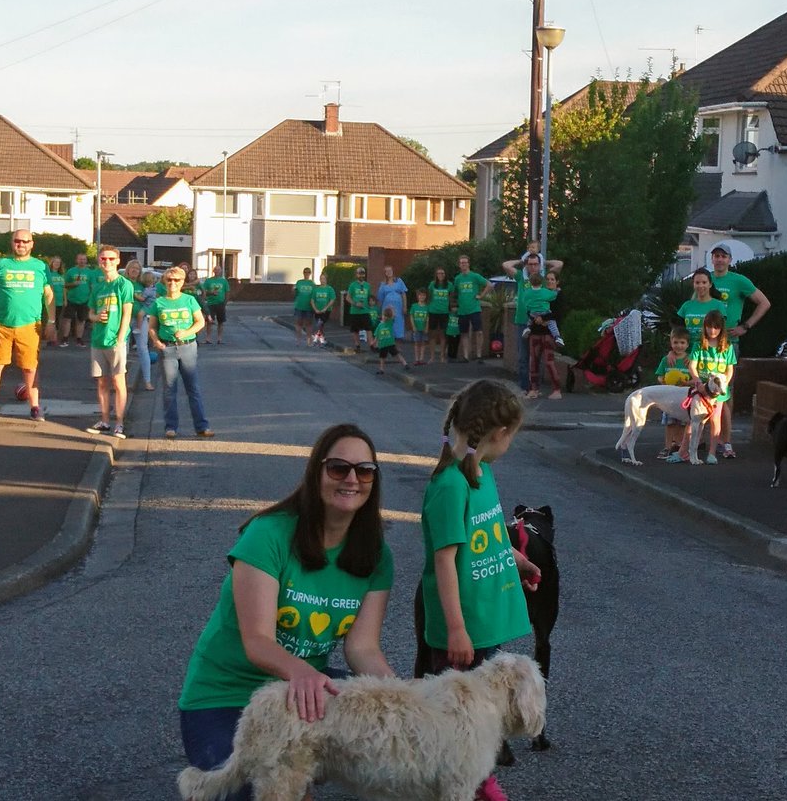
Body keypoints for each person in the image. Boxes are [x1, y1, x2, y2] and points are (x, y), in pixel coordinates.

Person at [178, 424, 395, 801]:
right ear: (316, 472)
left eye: (364, 471)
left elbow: (363, 649)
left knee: (393, 743)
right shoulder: (269, 534)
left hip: (300, 693)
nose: (352, 480)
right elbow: (258, 641)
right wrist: (302, 672)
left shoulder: (375, 554)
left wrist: (405, 699)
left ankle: (308, 762)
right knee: (264, 793)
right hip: (226, 696)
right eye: (338, 468)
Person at [421, 379, 538, 801]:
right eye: (513, 436)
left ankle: (473, 775)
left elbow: (490, 534)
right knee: (458, 713)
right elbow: (444, 561)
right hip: (465, 627)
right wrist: (455, 629)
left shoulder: (481, 473)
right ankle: (466, 780)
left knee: (480, 709)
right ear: (501, 433)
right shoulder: (450, 486)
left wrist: (519, 560)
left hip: (486, 620)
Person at [0, 231, 54, 421]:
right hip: (2, 324)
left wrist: (51, 322)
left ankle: (35, 407)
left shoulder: (40, 266)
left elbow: (49, 295)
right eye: (17, 241)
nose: (21, 244)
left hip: (30, 325)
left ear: (32, 244)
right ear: (12, 243)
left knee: (30, 368)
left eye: (25, 241)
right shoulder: (1, 264)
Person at [709, 243, 771, 460]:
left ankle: (725, 441)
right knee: (703, 389)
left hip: (728, 342)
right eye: (716, 256)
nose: (719, 260)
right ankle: (706, 438)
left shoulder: (738, 281)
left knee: (725, 390)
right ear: (712, 259)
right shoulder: (705, 279)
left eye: (723, 256)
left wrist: (746, 326)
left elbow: (764, 303)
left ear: (730, 260)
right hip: (705, 343)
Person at [149, 266, 214, 439]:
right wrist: (156, 341)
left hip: (188, 347)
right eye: (169, 280)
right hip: (168, 348)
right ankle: (171, 427)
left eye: (176, 280)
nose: (172, 283)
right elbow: (152, 327)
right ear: (165, 281)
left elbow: (200, 322)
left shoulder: (189, 300)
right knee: (169, 389)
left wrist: (186, 332)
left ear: (182, 282)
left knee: (193, 388)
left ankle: (202, 426)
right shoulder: (159, 303)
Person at [85, 246, 135, 439]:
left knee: (118, 381)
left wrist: (121, 339)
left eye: (111, 259)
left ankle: (119, 423)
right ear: (99, 261)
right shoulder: (98, 287)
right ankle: (105, 421)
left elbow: (127, 314)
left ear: (118, 261)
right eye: (103, 259)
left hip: (115, 340)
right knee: (101, 382)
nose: (107, 262)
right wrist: (96, 317)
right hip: (98, 339)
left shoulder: (124, 284)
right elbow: (90, 313)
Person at [504, 245, 564, 391]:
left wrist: (543, 261)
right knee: (523, 356)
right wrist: (522, 259)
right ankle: (525, 387)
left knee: (538, 356)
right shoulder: (521, 276)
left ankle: (536, 386)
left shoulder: (543, 278)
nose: (532, 267)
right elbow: (506, 265)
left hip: (541, 322)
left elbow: (559, 264)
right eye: (530, 264)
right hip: (523, 320)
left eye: (535, 264)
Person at [682, 310, 736, 465]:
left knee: (715, 419)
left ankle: (712, 452)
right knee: (693, 419)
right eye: (709, 327)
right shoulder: (699, 345)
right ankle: (683, 451)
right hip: (702, 390)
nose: (712, 331)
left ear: (721, 329)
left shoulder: (727, 347)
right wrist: (698, 382)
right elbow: (692, 366)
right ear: (704, 327)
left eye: (716, 327)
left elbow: (730, 369)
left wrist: (723, 385)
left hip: (718, 391)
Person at [654, 325, 692, 460]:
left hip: (684, 399)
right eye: (676, 342)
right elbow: (659, 375)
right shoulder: (666, 360)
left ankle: (679, 446)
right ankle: (667, 446)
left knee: (682, 424)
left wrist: (687, 382)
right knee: (670, 423)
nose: (679, 346)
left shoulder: (690, 360)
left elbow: (695, 378)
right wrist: (663, 381)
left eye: (682, 342)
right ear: (671, 343)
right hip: (669, 399)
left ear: (687, 344)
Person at [524, 273, 563, 400]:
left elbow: (557, 313)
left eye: (552, 279)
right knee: (533, 361)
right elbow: (529, 308)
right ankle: (533, 388)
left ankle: (556, 389)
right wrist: (536, 318)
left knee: (549, 361)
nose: (550, 281)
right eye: (548, 279)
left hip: (548, 333)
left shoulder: (556, 296)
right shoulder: (540, 293)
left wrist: (542, 318)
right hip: (536, 330)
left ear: (557, 281)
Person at [452, 255, 492, 362]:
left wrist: (481, 295)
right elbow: (455, 293)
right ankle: (466, 356)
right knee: (464, 333)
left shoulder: (475, 276)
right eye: (461, 263)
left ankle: (479, 355)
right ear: (459, 265)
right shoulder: (458, 279)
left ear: (468, 264)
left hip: (474, 308)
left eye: (465, 262)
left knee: (479, 332)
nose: (463, 264)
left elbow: (489, 285)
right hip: (462, 310)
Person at [677, 267, 727, 351]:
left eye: (704, 282)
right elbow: (678, 332)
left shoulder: (718, 305)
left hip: (709, 353)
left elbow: (722, 332)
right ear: (693, 284)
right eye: (697, 282)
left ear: (710, 284)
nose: (700, 286)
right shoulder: (686, 306)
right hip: (688, 353)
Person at [123, 259, 153, 391]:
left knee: (143, 349)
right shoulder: (122, 283)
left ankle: (147, 381)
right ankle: (121, 380)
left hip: (140, 319)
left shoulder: (143, 285)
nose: (135, 270)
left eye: (137, 268)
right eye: (132, 268)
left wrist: (144, 311)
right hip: (124, 319)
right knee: (122, 349)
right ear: (128, 269)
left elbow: (152, 300)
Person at [64, 252, 93, 346]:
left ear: (86, 260)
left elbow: (92, 286)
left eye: (84, 259)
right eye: (80, 259)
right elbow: (65, 284)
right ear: (77, 260)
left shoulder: (90, 272)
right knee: (67, 319)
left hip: (84, 300)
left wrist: (91, 299)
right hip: (71, 299)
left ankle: (79, 339)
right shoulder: (71, 271)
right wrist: (73, 284)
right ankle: (65, 339)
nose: (82, 261)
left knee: (81, 320)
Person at [427, 266, 453, 364]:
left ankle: (442, 356)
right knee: (432, 334)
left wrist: (451, 307)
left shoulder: (449, 285)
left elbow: (451, 297)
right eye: (439, 273)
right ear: (436, 275)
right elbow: (429, 297)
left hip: (444, 312)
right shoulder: (432, 284)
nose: (440, 275)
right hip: (433, 311)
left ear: (445, 275)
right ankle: (432, 357)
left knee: (443, 335)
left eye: (442, 273)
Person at [374, 306, 410, 375]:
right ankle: (381, 369)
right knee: (382, 357)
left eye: (387, 316)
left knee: (397, 354)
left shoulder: (389, 323)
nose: (385, 317)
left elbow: (393, 316)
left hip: (390, 344)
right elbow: (377, 335)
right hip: (383, 344)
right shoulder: (380, 325)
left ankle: (405, 364)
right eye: (384, 316)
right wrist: (375, 342)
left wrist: (392, 310)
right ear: (382, 315)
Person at [376, 265, 408, 341]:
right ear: (385, 273)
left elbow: (403, 294)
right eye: (387, 271)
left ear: (393, 271)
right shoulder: (383, 284)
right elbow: (380, 298)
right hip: (387, 307)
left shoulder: (399, 281)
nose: (389, 272)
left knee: (397, 323)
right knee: (388, 323)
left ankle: (397, 343)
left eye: (390, 270)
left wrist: (405, 306)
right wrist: (379, 311)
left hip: (398, 307)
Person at [345, 266, 373, 352]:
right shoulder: (353, 285)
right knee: (355, 330)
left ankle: (372, 345)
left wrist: (370, 302)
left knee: (368, 328)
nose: (361, 275)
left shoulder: (367, 285)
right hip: (355, 311)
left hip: (365, 310)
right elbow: (348, 298)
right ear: (356, 275)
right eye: (359, 274)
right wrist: (355, 303)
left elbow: (369, 297)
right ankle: (357, 346)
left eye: (363, 273)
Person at [202, 264, 231, 345]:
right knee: (209, 321)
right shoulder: (208, 281)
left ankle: (219, 339)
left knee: (220, 322)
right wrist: (211, 293)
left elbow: (227, 292)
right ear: (213, 271)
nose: (217, 271)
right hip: (210, 304)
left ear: (221, 271)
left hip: (220, 304)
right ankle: (208, 338)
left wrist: (225, 302)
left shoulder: (224, 281)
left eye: (219, 270)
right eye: (216, 269)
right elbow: (204, 292)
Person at [46, 256, 68, 347]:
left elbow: (64, 288)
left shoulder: (61, 275)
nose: (57, 264)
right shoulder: (48, 274)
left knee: (57, 319)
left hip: (59, 301)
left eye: (59, 263)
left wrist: (65, 300)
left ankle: (54, 338)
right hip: (50, 301)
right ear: (52, 263)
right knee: (50, 319)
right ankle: (49, 339)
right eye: (55, 262)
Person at [310, 270, 337, 346]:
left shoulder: (330, 289)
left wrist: (326, 308)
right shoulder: (316, 289)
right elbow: (312, 300)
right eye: (321, 279)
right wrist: (315, 309)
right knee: (320, 325)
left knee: (320, 323)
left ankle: (315, 338)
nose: (322, 280)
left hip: (326, 311)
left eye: (324, 279)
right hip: (317, 310)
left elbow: (332, 299)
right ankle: (322, 340)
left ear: (326, 279)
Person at [293, 267, 316, 345]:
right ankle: (298, 340)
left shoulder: (312, 284)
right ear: (303, 273)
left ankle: (309, 340)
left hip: (308, 307)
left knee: (308, 324)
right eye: (305, 272)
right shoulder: (299, 282)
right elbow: (295, 293)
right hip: (299, 306)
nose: (307, 273)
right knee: (298, 323)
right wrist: (293, 290)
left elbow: (314, 295)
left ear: (310, 273)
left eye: (308, 272)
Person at [409, 288, 430, 365]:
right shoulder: (414, 306)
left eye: (423, 295)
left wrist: (426, 327)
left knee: (423, 343)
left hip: (423, 328)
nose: (422, 297)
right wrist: (413, 326)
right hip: (416, 328)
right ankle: (417, 359)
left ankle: (421, 359)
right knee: (417, 343)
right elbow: (411, 316)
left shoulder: (427, 307)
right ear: (417, 296)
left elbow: (428, 318)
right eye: (420, 295)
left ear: (426, 296)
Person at [445, 296, 461, 361]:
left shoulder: (459, 315)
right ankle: (449, 356)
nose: (454, 309)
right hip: (449, 332)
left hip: (457, 332)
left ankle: (454, 356)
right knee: (450, 344)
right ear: (450, 308)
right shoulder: (448, 314)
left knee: (456, 344)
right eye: (453, 307)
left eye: (456, 307)